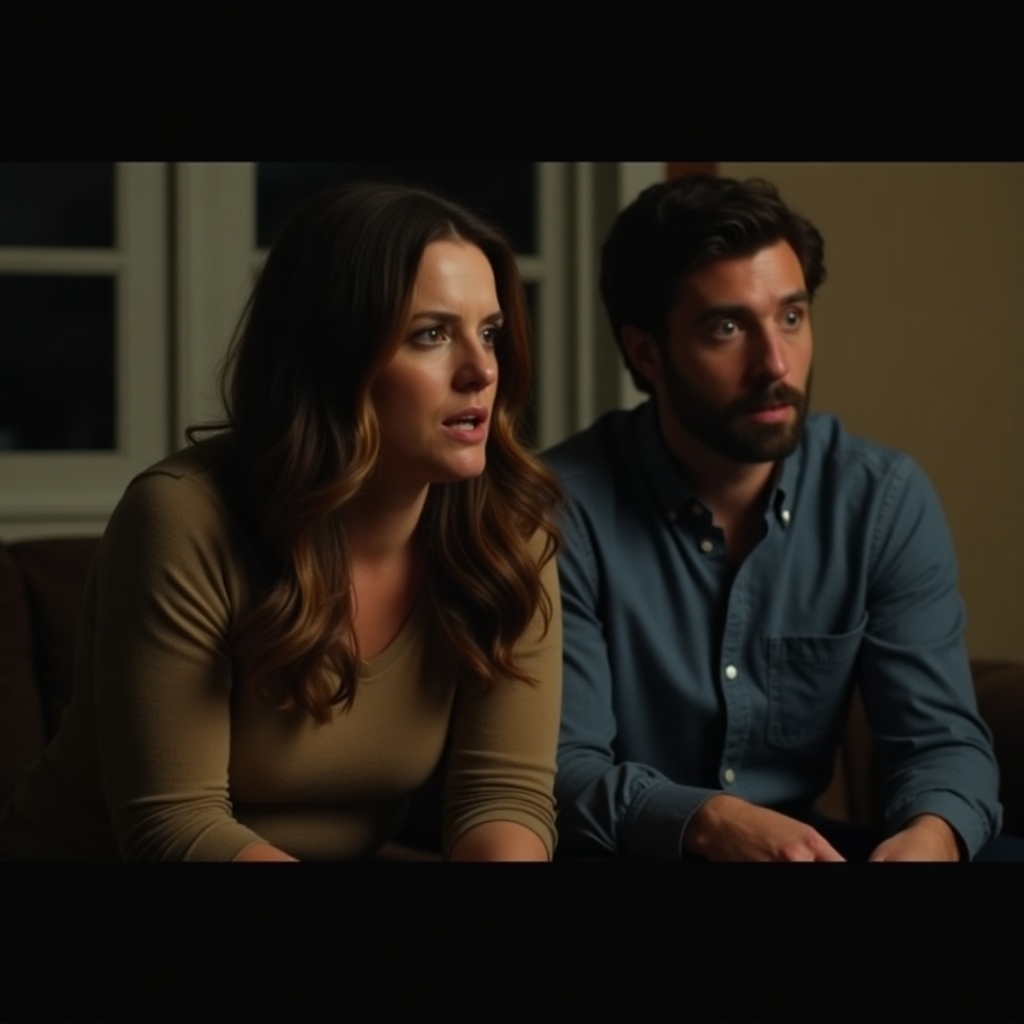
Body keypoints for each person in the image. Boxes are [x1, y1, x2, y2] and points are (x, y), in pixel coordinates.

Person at [0, 181, 563, 861]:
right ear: (333, 355)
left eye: (490, 333)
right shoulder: (182, 517)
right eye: (431, 335)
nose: (481, 371)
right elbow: (176, 826)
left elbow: (502, 796)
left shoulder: (508, 532)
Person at [545, 173, 1012, 862]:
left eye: (791, 317)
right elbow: (561, 770)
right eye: (728, 327)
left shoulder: (880, 500)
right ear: (647, 353)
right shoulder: (561, 510)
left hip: (807, 851)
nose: (775, 363)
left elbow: (941, 739)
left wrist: (931, 836)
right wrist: (707, 821)